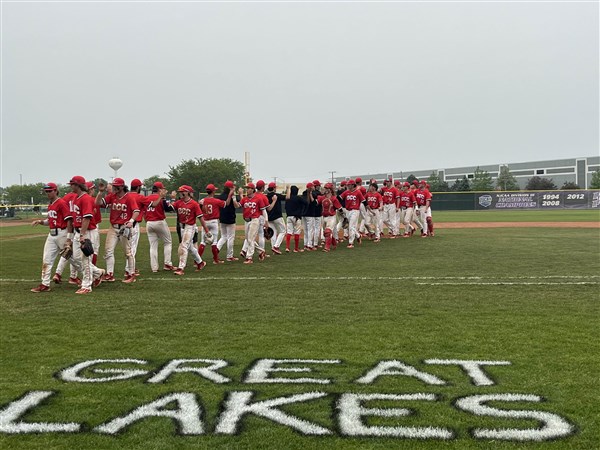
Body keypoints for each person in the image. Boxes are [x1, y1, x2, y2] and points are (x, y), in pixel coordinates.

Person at [66, 176, 105, 294]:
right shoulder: (77, 198)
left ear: (78, 185)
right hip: (79, 232)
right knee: (77, 259)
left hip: (87, 232)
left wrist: (82, 235)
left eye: (72, 184)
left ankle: (86, 286)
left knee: (86, 260)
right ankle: (98, 273)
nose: (71, 186)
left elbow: (87, 217)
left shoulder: (86, 198)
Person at [96, 177, 140, 283]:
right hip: (113, 227)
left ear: (121, 187)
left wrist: (131, 221)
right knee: (108, 251)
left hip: (124, 227)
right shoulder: (112, 196)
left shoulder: (129, 197)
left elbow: (136, 211)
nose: (114, 188)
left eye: (116, 186)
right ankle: (109, 274)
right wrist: (100, 192)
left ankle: (131, 274)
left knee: (128, 253)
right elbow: (98, 203)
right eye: (113, 185)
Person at [30, 183, 71, 293]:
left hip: (62, 234)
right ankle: (45, 284)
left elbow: (69, 220)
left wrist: (69, 238)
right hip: (52, 235)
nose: (48, 193)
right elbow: (51, 220)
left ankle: (96, 273)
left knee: (73, 259)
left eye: (50, 191)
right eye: (46, 191)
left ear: (56, 191)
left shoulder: (61, 203)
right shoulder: (51, 204)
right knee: (47, 259)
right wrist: (41, 221)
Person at [172, 185, 209, 275]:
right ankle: (200, 263)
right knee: (190, 247)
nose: (180, 193)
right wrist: (173, 198)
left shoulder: (194, 204)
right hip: (182, 227)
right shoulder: (179, 202)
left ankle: (181, 268)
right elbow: (170, 208)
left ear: (188, 193)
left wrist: (206, 230)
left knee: (184, 246)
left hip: (190, 227)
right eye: (180, 192)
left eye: (182, 192)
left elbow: (200, 218)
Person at [143, 181, 175, 272]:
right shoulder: (161, 198)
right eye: (162, 188)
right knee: (168, 242)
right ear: (159, 189)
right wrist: (172, 199)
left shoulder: (147, 198)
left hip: (149, 223)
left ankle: (154, 268)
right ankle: (167, 264)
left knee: (153, 246)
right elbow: (170, 209)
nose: (164, 190)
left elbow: (144, 211)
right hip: (159, 221)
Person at [199, 183, 233, 264]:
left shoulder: (202, 200)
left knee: (202, 242)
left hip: (205, 222)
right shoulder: (216, 201)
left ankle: (197, 260)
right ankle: (216, 260)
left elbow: (199, 209)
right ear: (213, 192)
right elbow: (227, 204)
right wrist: (230, 195)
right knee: (214, 242)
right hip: (214, 222)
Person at [239, 183, 269, 263]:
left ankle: (249, 258)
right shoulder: (244, 199)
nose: (247, 190)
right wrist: (234, 197)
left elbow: (264, 210)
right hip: (246, 221)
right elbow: (237, 206)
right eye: (246, 188)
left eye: (248, 188)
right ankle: (261, 251)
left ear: (252, 189)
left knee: (251, 238)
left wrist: (266, 221)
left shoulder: (258, 199)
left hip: (255, 220)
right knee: (248, 239)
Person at [216, 180, 240, 262]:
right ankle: (229, 256)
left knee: (223, 237)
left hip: (222, 218)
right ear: (230, 188)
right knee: (230, 237)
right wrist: (235, 196)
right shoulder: (232, 196)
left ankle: (216, 250)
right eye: (232, 187)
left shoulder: (220, 196)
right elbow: (236, 206)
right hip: (230, 218)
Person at [127, 178, 146, 276]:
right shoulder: (140, 197)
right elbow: (153, 204)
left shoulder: (126, 196)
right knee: (132, 248)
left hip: (124, 224)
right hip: (133, 224)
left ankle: (130, 268)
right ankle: (129, 270)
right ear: (138, 187)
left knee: (127, 247)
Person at [317, 183, 343, 252]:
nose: (325, 190)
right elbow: (315, 202)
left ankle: (327, 247)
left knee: (327, 232)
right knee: (325, 233)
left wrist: (343, 216)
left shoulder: (334, 198)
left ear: (330, 190)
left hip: (331, 217)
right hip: (324, 217)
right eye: (325, 188)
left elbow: (340, 208)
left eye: (326, 188)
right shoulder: (322, 198)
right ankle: (334, 243)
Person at [340, 179, 364, 248]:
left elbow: (363, 200)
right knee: (350, 227)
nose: (348, 185)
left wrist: (368, 209)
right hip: (348, 211)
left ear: (353, 185)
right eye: (347, 184)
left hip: (355, 210)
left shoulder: (358, 192)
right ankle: (358, 235)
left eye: (349, 184)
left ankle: (351, 243)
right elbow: (339, 198)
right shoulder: (346, 192)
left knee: (351, 226)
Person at [284, 185, 307, 253]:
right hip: (297, 217)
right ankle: (296, 248)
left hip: (289, 217)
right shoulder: (298, 198)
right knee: (297, 232)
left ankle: (287, 247)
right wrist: (302, 211)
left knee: (289, 232)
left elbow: (285, 207)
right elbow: (306, 203)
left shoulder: (288, 198)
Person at [265, 181, 286, 255]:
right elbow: (287, 197)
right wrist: (288, 189)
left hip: (269, 217)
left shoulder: (266, 196)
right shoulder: (277, 195)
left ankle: (274, 248)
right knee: (283, 231)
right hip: (277, 216)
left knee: (273, 233)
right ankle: (276, 247)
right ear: (274, 188)